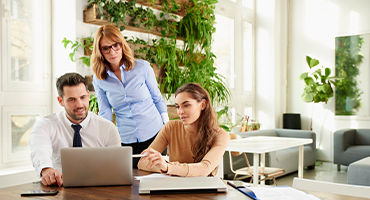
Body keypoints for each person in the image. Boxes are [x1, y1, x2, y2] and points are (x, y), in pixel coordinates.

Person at [91, 25, 169, 168]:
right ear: (100, 51)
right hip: (126, 139)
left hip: (155, 135)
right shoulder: (99, 79)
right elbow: (105, 111)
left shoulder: (143, 68)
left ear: (122, 44)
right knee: (131, 181)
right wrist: (104, 138)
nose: (112, 51)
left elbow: (157, 99)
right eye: (106, 48)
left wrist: (168, 129)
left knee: (155, 177)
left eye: (116, 45)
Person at [29, 73, 121, 186]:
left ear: (88, 95)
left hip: (98, 188)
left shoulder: (108, 128)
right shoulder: (45, 125)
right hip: (59, 187)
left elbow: (116, 167)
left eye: (83, 97)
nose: (79, 105)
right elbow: (40, 150)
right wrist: (47, 170)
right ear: (60, 101)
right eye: (71, 100)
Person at [138, 83, 229, 177]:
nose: (180, 112)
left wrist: (169, 167)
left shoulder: (220, 135)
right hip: (174, 187)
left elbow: (204, 169)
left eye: (186, 105)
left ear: (203, 105)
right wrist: (166, 167)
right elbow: (142, 162)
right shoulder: (171, 127)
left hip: (204, 189)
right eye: (178, 106)